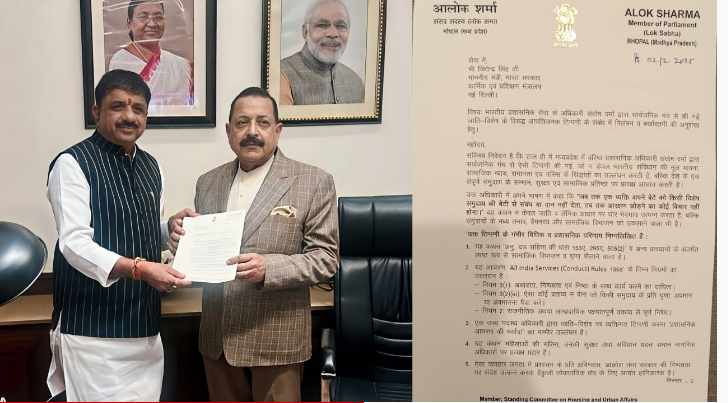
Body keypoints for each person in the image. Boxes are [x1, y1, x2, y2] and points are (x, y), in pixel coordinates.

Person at [168, 87, 339, 401]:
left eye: (262, 122)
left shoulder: (314, 181)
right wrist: (179, 238)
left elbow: (326, 259)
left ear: (278, 130)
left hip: (276, 342)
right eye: (242, 122)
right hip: (218, 340)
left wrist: (268, 268)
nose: (252, 132)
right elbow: (204, 253)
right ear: (228, 131)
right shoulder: (208, 182)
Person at [45, 69, 197, 401]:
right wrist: (140, 269)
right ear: (96, 111)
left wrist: (169, 230)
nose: (129, 116)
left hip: (145, 331)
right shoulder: (72, 164)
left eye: (138, 108)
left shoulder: (151, 166)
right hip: (93, 333)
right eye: (118, 106)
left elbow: (135, 231)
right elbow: (74, 244)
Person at [108, 0, 194, 105]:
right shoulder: (120, 61)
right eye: (143, 17)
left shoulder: (181, 66)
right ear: (129, 23)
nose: (152, 24)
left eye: (158, 17)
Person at [280, 0, 364, 105]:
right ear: (305, 32)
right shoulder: (283, 76)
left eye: (340, 26)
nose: (333, 34)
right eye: (322, 25)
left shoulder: (356, 82)